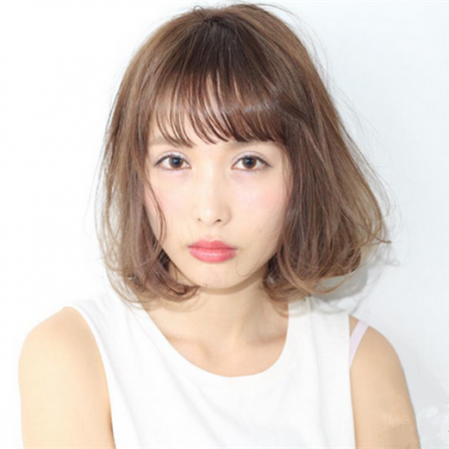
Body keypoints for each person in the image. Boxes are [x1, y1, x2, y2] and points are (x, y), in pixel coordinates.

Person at [18, 2, 420, 448]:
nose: (210, 210)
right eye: (175, 161)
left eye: (248, 162)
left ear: (303, 172)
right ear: (136, 174)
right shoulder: (75, 353)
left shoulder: (360, 367)